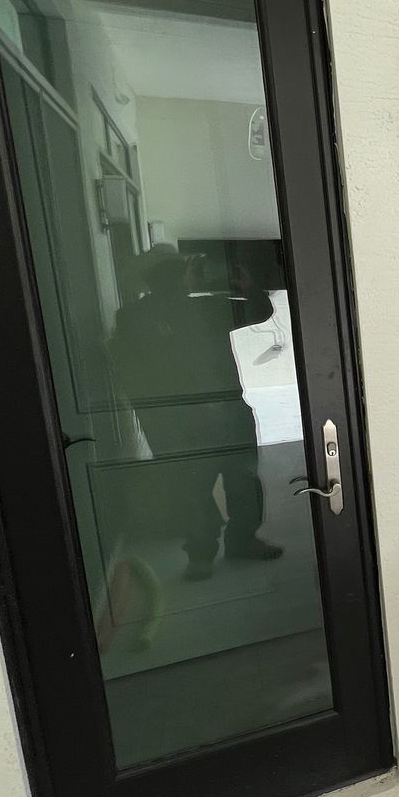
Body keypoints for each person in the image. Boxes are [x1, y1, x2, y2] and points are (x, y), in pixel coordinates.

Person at [109, 245, 284, 581]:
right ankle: (215, 549)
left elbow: (259, 312)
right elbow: (259, 311)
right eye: (185, 270)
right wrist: (245, 287)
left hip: (212, 413)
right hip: (189, 417)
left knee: (222, 484)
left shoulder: (154, 313)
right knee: (212, 485)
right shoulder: (148, 315)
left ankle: (226, 547)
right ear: (175, 276)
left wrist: (247, 288)